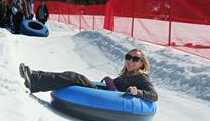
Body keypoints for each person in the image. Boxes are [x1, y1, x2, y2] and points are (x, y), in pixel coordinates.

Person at [19, 48, 158, 102]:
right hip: (105, 92)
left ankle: (34, 80)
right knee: (70, 76)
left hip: (109, 98)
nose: (130, 61)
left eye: (135, 59)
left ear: (142, 63)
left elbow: (154, 95)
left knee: (74, 77)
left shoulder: (141, 77)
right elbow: (116, 86)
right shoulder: (127, 74)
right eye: (128, 57)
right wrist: (111, 80)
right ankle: (34, 77)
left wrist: (137, 92)